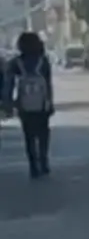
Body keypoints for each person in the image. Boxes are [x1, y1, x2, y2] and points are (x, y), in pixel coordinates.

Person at [3, 32, 54, 178]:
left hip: (24, 105)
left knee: (29, 136)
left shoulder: (16, 63)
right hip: (42, 104)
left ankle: (33, 165)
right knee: (43, 133)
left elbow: (9, 84)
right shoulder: (43, 61)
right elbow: (48, 84)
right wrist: (50, 103)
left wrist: (8, 103)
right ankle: (44, 161)